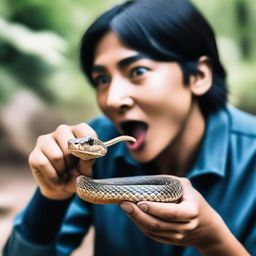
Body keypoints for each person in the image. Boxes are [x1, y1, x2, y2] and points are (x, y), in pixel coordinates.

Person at [3, 0, 256, 255]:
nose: (112, 99)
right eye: (102, 79)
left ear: (199, 76)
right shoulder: (93, 148)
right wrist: (50, 197)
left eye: (138, 71)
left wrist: (214, 242)